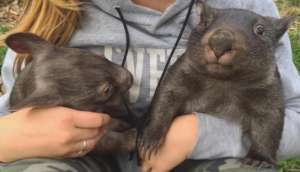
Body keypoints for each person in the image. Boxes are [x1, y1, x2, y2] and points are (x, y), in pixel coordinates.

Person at [0, 0, 299, 172]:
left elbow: (292, 116)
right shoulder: (59, 9)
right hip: (81, 160)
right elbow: (14, 112)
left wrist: (199, 133)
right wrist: (7, 137)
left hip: (196, 162)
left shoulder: (246, 6)